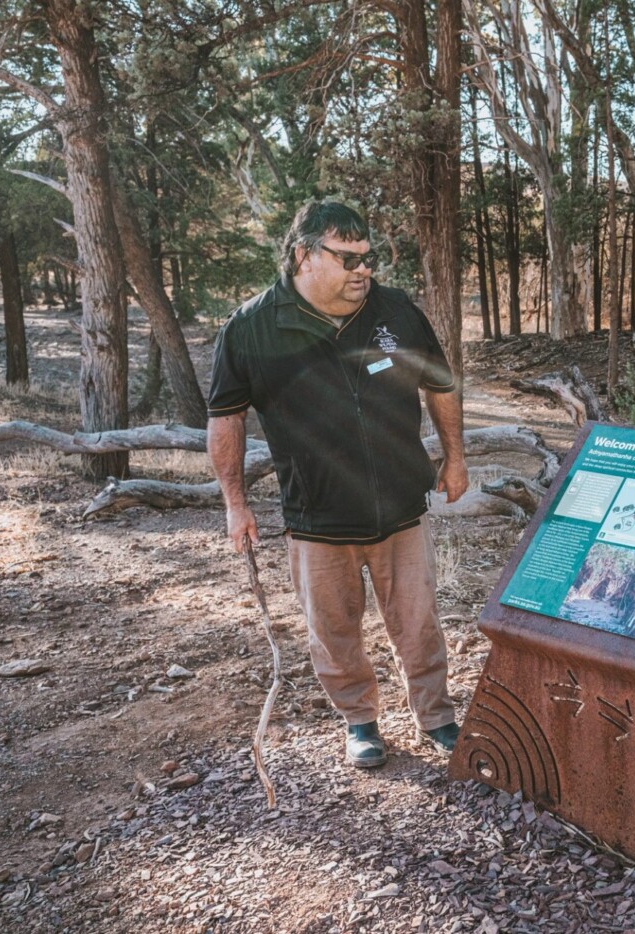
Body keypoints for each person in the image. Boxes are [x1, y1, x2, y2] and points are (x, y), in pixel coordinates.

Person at [207, 200, 467, 768]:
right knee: (333, 630)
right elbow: (225, 419)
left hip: (401, 505)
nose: (363, 271)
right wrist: (235, 504)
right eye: (348, 259)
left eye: (367, 259)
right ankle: (360, 722)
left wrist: (455, 457)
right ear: (304, 255)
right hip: (318, 518)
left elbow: (441, 384)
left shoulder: (394, 311)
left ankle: (438, 716)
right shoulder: (252, 327)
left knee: (418, 621)